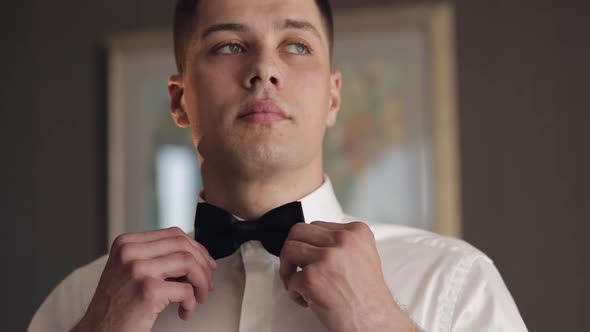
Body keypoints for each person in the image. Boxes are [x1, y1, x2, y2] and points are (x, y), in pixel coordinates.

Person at [28, 0, 528, 331]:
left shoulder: (455, 281)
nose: (264, 69)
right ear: (179, 101)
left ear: (333, 98)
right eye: (229, 46)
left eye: (296, 45)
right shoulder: (82, 301)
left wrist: (377, 321)